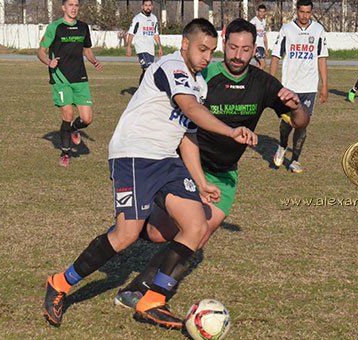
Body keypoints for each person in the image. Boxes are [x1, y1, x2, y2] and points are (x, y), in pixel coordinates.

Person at [43, 18, 258, 329]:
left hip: (166, 160)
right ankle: (60, 283)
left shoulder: (200, 83)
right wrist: (230, 131)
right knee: (126, 234)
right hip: (134, 154)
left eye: (211, 51)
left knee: (196, 226)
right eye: (201, 49)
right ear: (185, 44)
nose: (206, 57)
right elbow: (190, 109)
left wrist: (200, 182)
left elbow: (187, 135)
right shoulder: (170, 66)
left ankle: (153, 300)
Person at [112, 18, 309, 311]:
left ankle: (143, 290)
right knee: (158, 233)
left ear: (254, 49)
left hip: (225, 174)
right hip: (189, 166)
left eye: (245, 49)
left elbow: (300, 122)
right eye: (232, 47)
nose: (238, 55)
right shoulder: (206, 77)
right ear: (223, 44)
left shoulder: (264, 83)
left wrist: (297, 106)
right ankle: (133, 223)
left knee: (200, 232)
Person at [37, 0, 102, 168]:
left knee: (87, 119)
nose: (74, 8)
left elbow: (87, 49)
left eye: (76, 5)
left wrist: (93, 60)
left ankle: (73, 129)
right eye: (70, 5)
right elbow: (41, 51)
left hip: (80, 77)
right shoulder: (55, 27)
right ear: (63, 8)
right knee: (67, 113)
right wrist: (48, 62)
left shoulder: (83, 27)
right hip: (60, 77)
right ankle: (65, 153)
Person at [269, 0, 328, 173]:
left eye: (308, 12)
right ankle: (282, 146)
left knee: (302, 124)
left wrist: (324, 85)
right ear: (296, 11)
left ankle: (295, 160)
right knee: (287, 123)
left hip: (309, 86)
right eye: (302, 12)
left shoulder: (318, 30)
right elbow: (275, 56)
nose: (305, 16)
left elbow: (322, 58)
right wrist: (271, 83)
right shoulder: (287, 30)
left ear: (312, 12)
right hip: (290, 85)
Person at [126, 0, 164, 83]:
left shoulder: (154, 18)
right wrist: (128, 46)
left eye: (149, 5)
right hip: (141, 48)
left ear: (152, 7)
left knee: (147, 70)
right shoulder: (137, 18)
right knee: (148, 69)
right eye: (146, 5)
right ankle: (143, 90)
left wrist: (159, 47)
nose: (148, 7)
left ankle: (141, 89)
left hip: (150, 48)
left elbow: (156, 34)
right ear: (142, 7)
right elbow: (131, 33)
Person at [250, 4, 269, 69]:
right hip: (257, 46)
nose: (261, 13)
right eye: (260, 11)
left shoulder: (264, 21)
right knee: (263, 65)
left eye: (263, 12)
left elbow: (264, 36)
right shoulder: (253, 21)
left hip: (262, 47)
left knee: (258, 65)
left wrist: (266, 49)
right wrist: (253, 48)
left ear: (265, 12)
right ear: (257, 11)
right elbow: (250, 35)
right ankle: (258, 78)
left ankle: (253, 78)